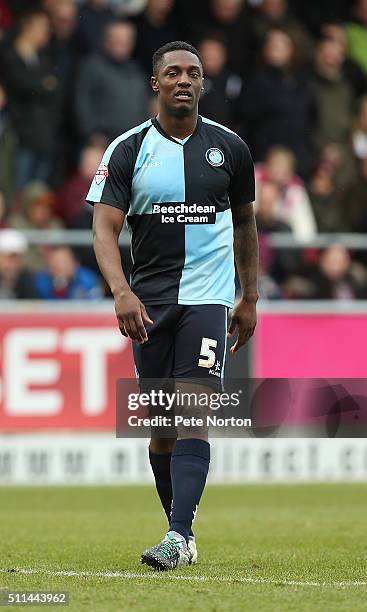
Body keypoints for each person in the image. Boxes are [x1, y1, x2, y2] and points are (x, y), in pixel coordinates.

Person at [88, 41, 258, 570]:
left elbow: (246, 225)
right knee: (160, 431)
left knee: (193, 413)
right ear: (155, 84)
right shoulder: (127, 150)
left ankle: (179, 534)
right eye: (173, 72)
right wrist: (121, 291)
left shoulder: (230, 149)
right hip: (151, 305)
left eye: (194, 73)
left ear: (203, 85)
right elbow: (104, 227)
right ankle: (178, 530)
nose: (185, 80)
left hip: (208, 299)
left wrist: (248, 296)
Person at [74, 20, 150, 144]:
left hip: (132, 142)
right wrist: (91, 133)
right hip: (102, 141)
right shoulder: (91, 66)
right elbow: (82, 102)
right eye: (117, 40)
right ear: (106, 40)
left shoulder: (136, 70)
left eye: (126, 41)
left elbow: (144, 103)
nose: (122, 44)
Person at [35, 246, 103, 300]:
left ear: (75, 263)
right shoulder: (41, 282)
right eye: (55, 264)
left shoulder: (87, 280)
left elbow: (95, 305)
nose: (59, 267)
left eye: (64, 263)